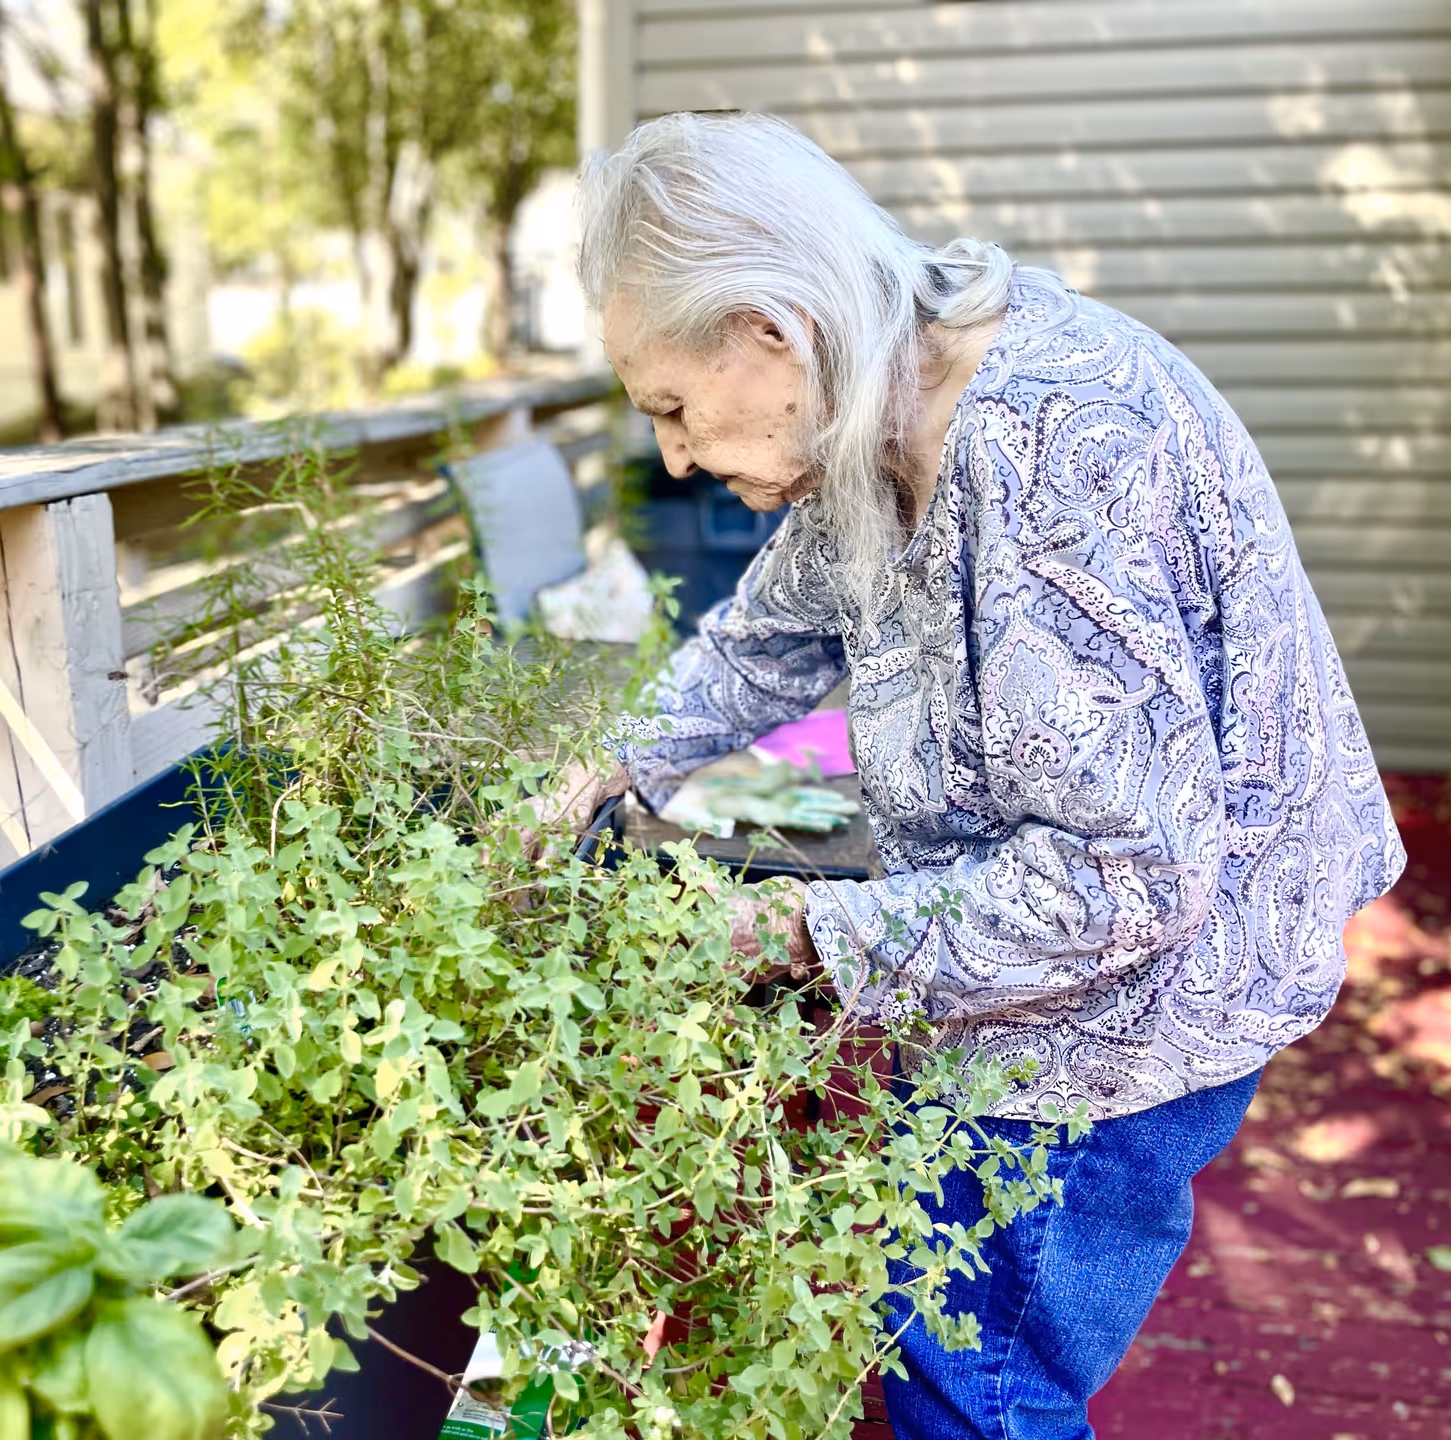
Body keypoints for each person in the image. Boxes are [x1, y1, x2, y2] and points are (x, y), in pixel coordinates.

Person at [552, 111, 1406, 1439]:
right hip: (1040, 945)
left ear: (773, 330)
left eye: (671, 406)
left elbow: (1125, 882)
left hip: (1134, 1001)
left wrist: (801, 928)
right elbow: (771, 636)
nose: (671, 455)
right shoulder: (870, 395)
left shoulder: (1045, 455)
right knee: (944, 1320)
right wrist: (607, 761)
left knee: (982, 1379)